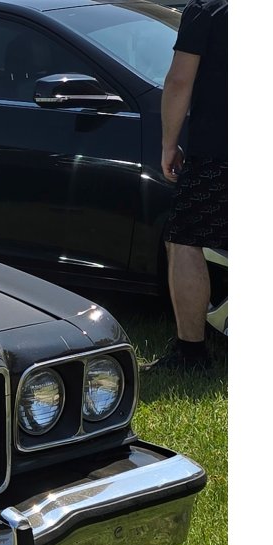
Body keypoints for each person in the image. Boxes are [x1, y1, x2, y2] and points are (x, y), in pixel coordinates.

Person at [156, 0, 227, 369]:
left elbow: (179, 79)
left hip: (218, 155)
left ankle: (191, 353)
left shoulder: (207, 10)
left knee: (183, 240)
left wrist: (169, 143)